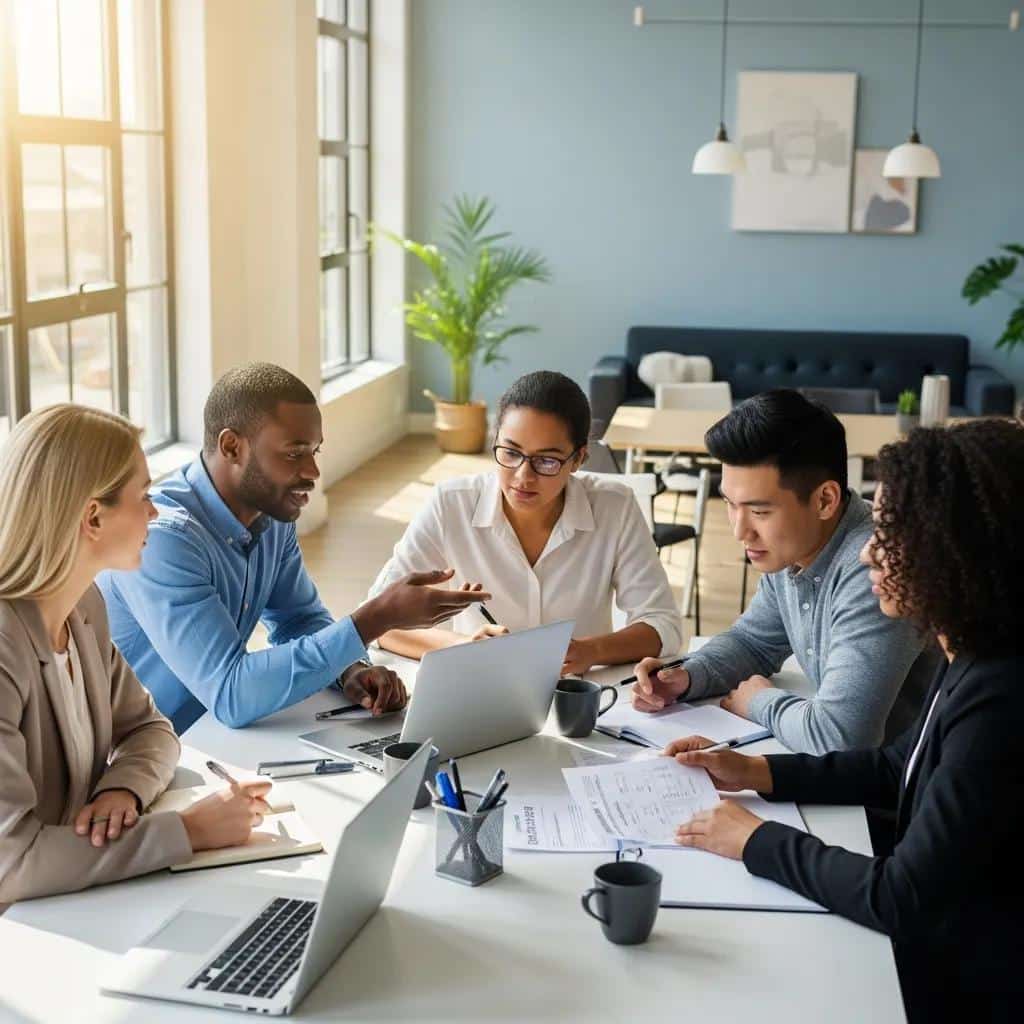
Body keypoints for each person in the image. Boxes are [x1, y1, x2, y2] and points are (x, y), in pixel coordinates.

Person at [663, 419, 1024, 1021]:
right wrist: (755, 770)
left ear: (959, 549)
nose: (866, 552)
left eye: (893, 535)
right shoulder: (975, 648)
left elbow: (903, 897)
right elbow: (895, 766)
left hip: (966, 979)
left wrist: (758, 840)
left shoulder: (1002, 698)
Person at [99, 364, 489, 733]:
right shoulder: (162, 538)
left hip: (212, 737)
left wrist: (349, 669)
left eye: (314, 452)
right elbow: (231, 694)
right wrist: (375, 618)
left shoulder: (269, 517)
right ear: (232, 446)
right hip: (131, 760)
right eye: (293, 453)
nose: (313, 472)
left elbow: (298, 620)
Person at [0, 405, 275, 904]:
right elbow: (11, 863)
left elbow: (149, 729)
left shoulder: (83, 605)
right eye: (143, 495)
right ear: (92, 517)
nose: (154, 511)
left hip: (71, 896)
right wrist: (187, 833)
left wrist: (121, 791)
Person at [632, 389, 935, 754]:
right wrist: (686, 677)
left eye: (759, 512)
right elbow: (754, 642)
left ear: (825, 500)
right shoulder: (793, 546)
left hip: (893, 797)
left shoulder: (873, 568)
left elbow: (839, 738)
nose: (740, 532)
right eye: (730, 504)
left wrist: (760, 701)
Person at [369, 371, 682, 675]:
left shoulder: (615, 506)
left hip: (579, 698)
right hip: (479, 692)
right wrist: (462, 646)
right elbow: (377, 619)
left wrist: (591, 651)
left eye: (546, 460)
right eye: (510, 452)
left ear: (578, 459)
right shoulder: (450, 504)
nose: (523, 476)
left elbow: (662, 625)